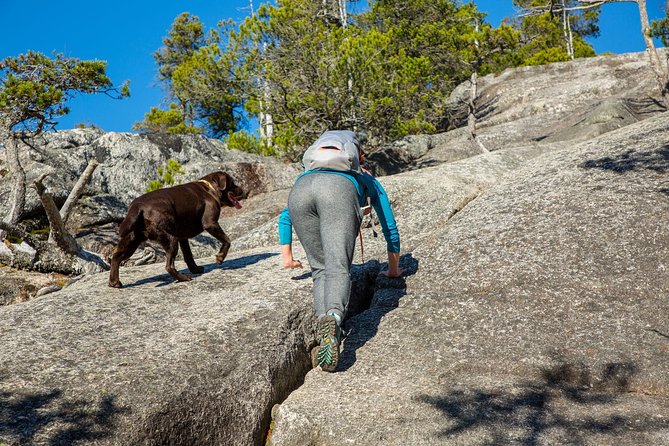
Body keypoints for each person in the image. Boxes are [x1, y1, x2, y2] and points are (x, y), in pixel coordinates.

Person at [278, 130, 402, 372]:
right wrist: (394, 269)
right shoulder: (365, 178)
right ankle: (333, 319)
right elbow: (390, 226)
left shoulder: (308, 172)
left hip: (300, 192)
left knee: (320, 270)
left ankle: (325, 330)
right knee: (337, 266)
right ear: (357, 157)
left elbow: (285, 217)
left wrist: (287, 256)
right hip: (337, 192)